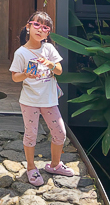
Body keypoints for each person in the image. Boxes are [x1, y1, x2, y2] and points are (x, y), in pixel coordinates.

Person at [9, 10, 72, 186]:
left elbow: (59, 70)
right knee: (31, 135)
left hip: (50, 100)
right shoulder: (21, 53)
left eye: (45, 27)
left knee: (60, 133)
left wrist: (51, 64)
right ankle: (31, 168)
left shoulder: (49, 49)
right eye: (36, 24)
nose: (40, 29)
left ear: (48, 33)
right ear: (28, 27)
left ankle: (55, 164)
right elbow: (15, 77)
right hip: (29, 101)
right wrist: (26, 74)